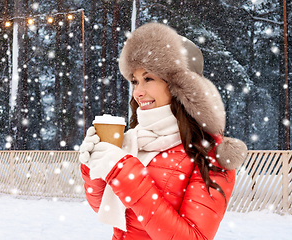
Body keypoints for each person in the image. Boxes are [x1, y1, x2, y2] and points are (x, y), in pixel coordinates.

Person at [78, 23, 248, 240]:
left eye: (148, 79)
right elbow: (105, 209)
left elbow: (194, 237)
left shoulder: (209, 152)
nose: (138, 92)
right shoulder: (133, 139)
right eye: (135, 81)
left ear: (180, 85)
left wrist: (124, 172)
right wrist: (93, 167)